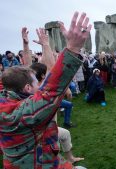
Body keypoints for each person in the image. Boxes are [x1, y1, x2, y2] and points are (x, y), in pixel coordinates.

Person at [0, 12, 91, 168]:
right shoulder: (22, 114)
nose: (40, 84)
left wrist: (27, 45)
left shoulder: (6, 94)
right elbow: (51, 92)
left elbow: (25, 73)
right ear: (28, 88)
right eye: (37, 82)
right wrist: (73, 48)